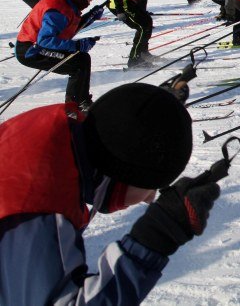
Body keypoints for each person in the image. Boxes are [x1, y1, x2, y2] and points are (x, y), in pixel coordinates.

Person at [0, 81, 223, 304]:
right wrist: (156, 236)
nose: (150, 199)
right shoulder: (39, 208)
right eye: (149, 187)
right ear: (123, 171)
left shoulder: (55, 135)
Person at [15, 0, 102, 110]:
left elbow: (65, 29)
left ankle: (77, 103)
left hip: (37, 44)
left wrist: (89, 17)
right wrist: (77, 45)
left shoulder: (67, 1)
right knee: (79, 63)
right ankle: (77, 106)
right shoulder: (57, 9)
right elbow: (45, 40)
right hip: (31, 50)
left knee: (81, 60)